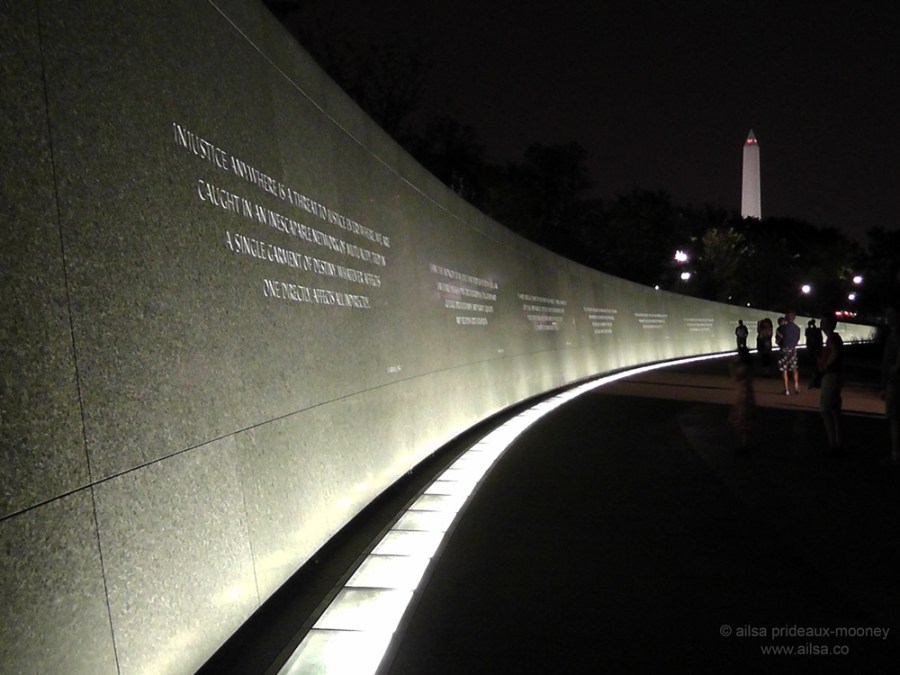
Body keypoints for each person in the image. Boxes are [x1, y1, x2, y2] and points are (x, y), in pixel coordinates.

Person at [818, 314, 844, 454]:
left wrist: (826, 366)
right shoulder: (834, 338)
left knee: (825, 409)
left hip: (831, 376)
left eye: (823, 321)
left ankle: (832, 443)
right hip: (835, 375)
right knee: (834, 410)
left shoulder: (832, 338)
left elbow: (835, 352)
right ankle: (836, 442)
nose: (820, 323)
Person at [880, 307, 900, 465]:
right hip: (892, 379)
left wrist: (893, 369)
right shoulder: (894, 335)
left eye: (890, 315)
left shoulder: (896, 335)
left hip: (895, 381)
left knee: (893, 417)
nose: (887, 318)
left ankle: (895, 453)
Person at [729, 347, 755, 452]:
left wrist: (731, 366)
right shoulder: (747, 366)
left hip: (743, 396)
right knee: (744, 422)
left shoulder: (743, 367)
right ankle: (743, 444)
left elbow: (735, 378)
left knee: (741, 421)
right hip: (746, 394)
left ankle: (743, 445)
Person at [778, 311, 801, 395]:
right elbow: (797, 339)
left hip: (784, 349)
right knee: (794, 368)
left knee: (784, 369)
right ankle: (796, 387)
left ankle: (786, 389)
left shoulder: (781, 328)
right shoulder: (797, 328)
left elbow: (778, 340)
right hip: (793, 349)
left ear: (786, 318)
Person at [805, 319, 823, 388]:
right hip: (815, 350)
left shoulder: (810, 331)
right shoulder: (817, 331)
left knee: (813, 367)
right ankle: (816, 381)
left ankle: (814, 382)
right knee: (816, 367)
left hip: (812, 350)